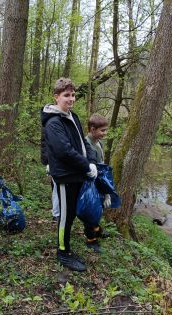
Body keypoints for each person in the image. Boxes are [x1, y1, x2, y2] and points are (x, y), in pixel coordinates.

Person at [41, 78, 98, 272]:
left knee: (72, 214)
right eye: (66, 95)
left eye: (73, 95)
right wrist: (86, 166)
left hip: (77, 174)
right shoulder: (53, 123)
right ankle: (62, 252)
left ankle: (66, 248)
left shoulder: (71, 116)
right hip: (65, 176)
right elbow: (64, 151)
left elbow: (82, 143)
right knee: (65, 216)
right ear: (56, 97)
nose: (71, 99)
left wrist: (92, 161)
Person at [84, 114, 111, 252]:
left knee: (99, 208)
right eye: (102, 131)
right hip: (89, 184)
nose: (105, 133)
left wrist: (106, 192)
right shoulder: (85, 144)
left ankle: (97, 228)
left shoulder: (99, 143)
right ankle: (91, 240)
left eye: (105, 130)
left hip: (99, 182)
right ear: (92, 129)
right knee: (91, 210)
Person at [40, 124, 60, 223]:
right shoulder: (49, 124)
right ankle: (56, 214)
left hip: (61, 161)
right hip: (53, 162)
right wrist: (48, 162)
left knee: (58, 187)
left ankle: (58, 212)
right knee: (56, 188)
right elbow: (45, 145)